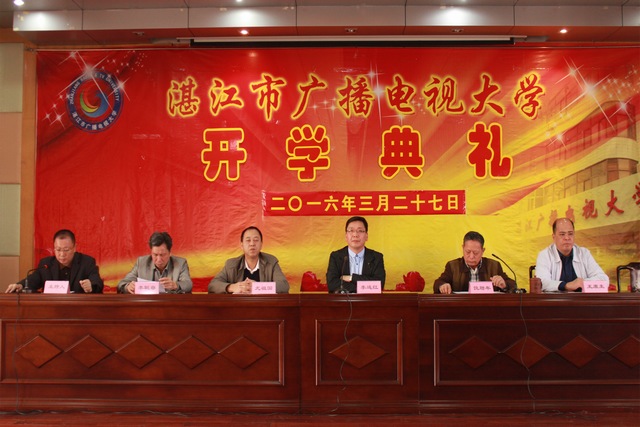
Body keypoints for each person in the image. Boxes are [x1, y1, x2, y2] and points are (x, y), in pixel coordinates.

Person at [5, 229, 104, 294]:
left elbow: (97, 282)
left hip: (79, 311)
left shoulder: (87, 262)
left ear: (74, 248)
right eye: (58, 249)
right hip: (51, 311)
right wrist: (20, 285)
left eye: (66, 250)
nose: (62, 254)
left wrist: (91, 286)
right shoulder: (46, 264)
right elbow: (33, 279)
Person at [209, 226, 289, 294]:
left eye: (256, 240)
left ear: (261, 244)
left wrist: (257, 287)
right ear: (242, 245)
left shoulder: (271, 262)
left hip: (264, 306)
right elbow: (213, 285)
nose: (252, 244)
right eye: (248, 240)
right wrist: (232, 287)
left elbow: (284, 285)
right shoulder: (231, 264)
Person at [535, 218, 608, 292]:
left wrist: (582, 283)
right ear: (554, 237)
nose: (567, 238)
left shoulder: (584, 253)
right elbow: (541, 282)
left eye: (570, 234)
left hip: (581, 299)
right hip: (555, 299)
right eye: (562, 234)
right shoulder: (544, 255)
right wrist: (566, 285)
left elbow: (604, 279)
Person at [433, 231, 516, 294]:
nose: (471, 256)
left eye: (476, 252)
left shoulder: (494, 266)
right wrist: (442, 286)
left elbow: (513, 285)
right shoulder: (453, 266)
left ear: (483, 251)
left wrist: (504, 284)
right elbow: (438, 283)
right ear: (463, 248)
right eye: (468, 252)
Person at [117, 231, 192, 294]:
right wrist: (127, 287)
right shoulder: (141, 263)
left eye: (162, 255)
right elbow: (121, 284)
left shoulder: (180, 263)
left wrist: (176, 285)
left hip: (171, 304)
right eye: (155, 255)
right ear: (151, 252)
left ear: (170, 253)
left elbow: (188, 284)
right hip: (147, 304)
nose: (159, 259)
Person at [326, 216, 386, 293]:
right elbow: (332, 285)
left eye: (360, 231)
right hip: (343, 300)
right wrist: (364, 287)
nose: (355, 234)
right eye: (351, 230)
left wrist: (352, 278)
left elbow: (378, 285)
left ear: (366, 236)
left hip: (368, 300)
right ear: (346, 236)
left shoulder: (376, 257)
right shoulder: (336, 257)